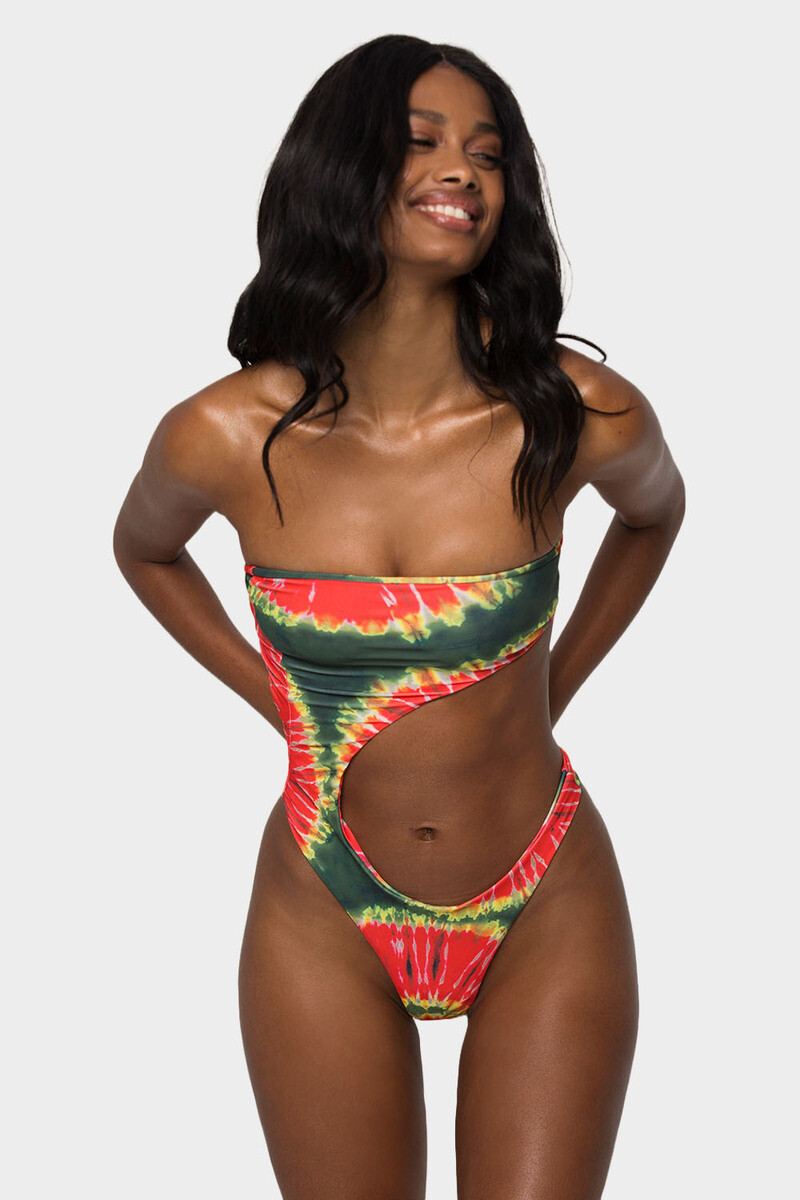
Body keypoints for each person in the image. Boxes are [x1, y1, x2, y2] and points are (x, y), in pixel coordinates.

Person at [113, 33, 685, 1200]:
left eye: (487, 153)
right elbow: (144, 550)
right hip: (323, 902)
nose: (462, 171)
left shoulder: (575, 414)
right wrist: (278, 699)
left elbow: (654, 516)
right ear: (340, 170)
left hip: (543, 893)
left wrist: (553, 685)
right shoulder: (220, 434)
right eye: (420, 142)